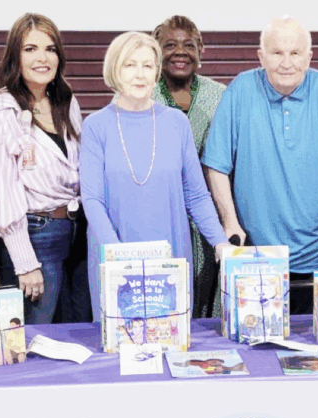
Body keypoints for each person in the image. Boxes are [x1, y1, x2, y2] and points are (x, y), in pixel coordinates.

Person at [202, 16, 318, 315]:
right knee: (256, 337)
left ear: (309, 57)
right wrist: (229, 221)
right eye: (277, 53)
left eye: (295, 53)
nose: (287, 63)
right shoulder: (240, 90)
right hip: (256, 251)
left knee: (313, 339)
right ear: (261, 56)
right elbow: (216, 166)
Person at [80, 32, 229, 322]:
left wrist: (220, 242)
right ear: (114, 69)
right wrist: (119, 258)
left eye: (148, 66)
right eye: (130, 65)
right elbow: (93, 200)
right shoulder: (96, 126)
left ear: (157, 72)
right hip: (115, 255)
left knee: (171, 339)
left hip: (171, 255)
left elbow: (197, 195)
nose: (140, 74)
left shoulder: (177, 122)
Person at [0, 13, 90, 325]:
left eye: (50, 49)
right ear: (15, 56)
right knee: (33, 338)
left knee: (72, 333)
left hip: (73, 234)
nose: (42, 58)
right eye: (30, 49)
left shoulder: (65, 101)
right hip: (32, 236)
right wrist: (25, 263)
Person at [151, 15, 228, 318]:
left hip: (209, 215)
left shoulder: (220, 95)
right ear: (156, 50)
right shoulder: (141, 93)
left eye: (189, 45)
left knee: (209, 301)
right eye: (170, 45)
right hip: (160, 216)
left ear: (201, 50)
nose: (180, 52)